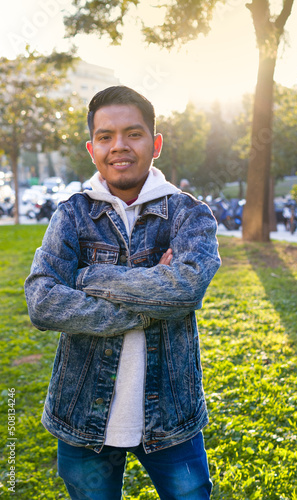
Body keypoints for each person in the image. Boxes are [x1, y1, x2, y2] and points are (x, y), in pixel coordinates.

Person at [24, 85, 221, 500]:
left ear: (156, 143)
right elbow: (42, 301)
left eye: (133, 133)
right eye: (106, 136)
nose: (120, 146)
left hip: (172, 415)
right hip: (82, 414)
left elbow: (185, 289)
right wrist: (152, 299)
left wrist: (86, 276)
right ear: (92, 148)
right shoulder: (72, 215)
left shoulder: (189, 213)